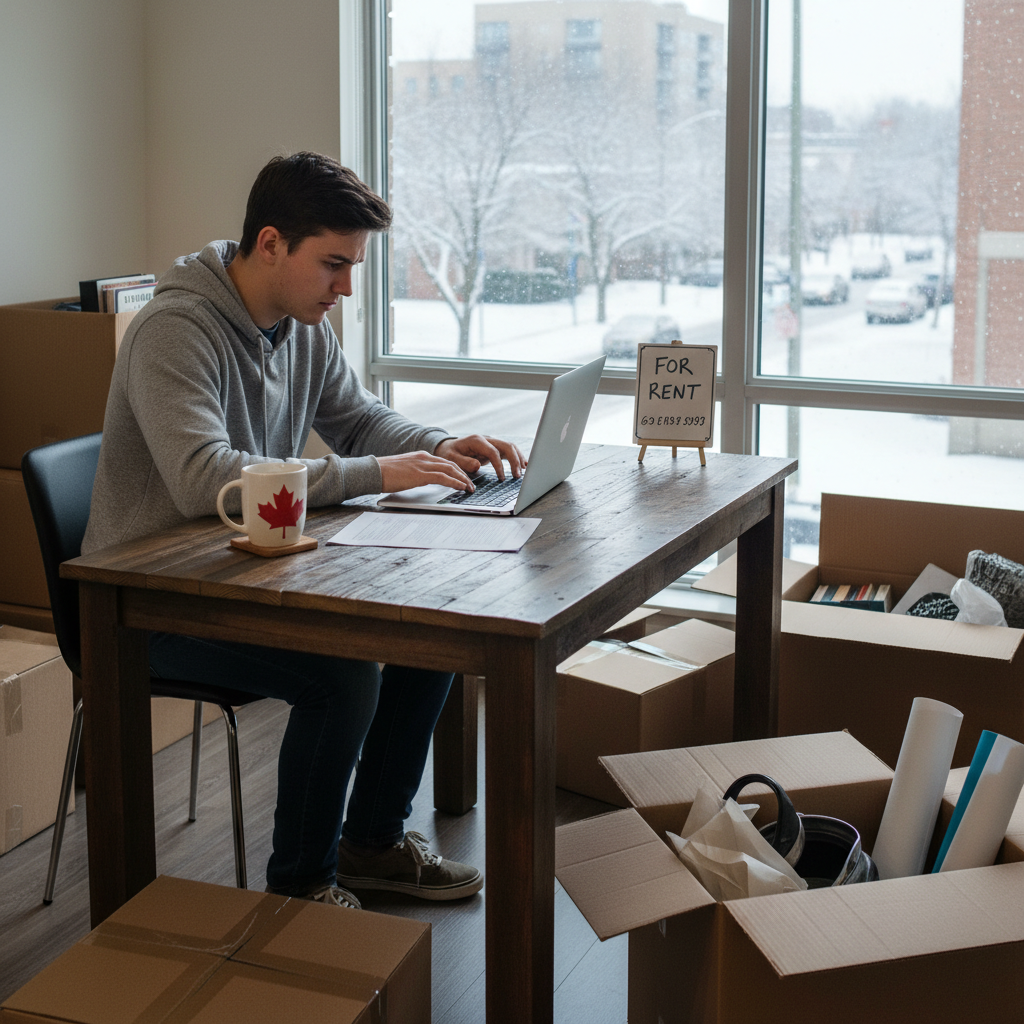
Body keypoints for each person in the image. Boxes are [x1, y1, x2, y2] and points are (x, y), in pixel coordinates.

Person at [83, 151, 525, 908]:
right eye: (333, 265)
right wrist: (382, 475)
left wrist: (438, 446)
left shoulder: (300, 325)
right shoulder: (174, 330)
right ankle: (300, 889)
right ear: (269, 244)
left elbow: (357, 420)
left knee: (431, 634)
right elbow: (201, 480)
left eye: (353, 266)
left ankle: (372, 846)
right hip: (146, 600)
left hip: (243, 569)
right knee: (342, 675)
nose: (346, 287)